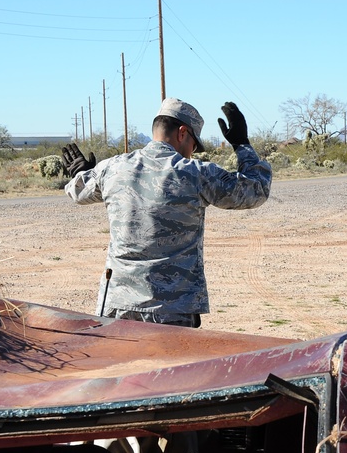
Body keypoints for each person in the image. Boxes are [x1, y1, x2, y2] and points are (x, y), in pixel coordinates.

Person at [62, 98, 271, 328]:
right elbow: (255, 190)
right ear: (183, 133)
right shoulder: (195, 174)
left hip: (116, 305)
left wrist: (83, 172)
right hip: (172, 309)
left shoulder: (112, 168)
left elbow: (77, 191)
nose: (192, 152)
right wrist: (242, 145)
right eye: (194, 143)